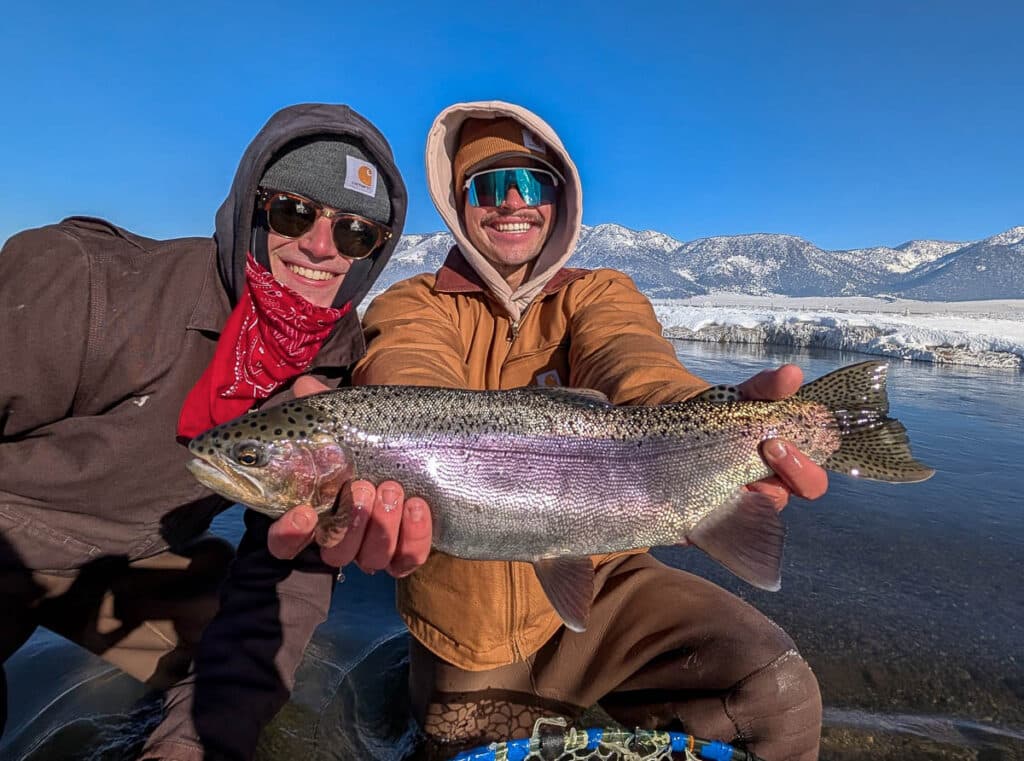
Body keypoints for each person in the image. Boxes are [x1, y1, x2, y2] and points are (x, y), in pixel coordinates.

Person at [353, 101, 826, 760]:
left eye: (533, 183)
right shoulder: (412, 304)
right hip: (469, 623)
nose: (513, 201)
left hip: (606, 583)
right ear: (458, 203)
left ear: (562, 199)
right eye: (489, 185)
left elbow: (638, 367)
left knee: (778, 693)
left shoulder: (601, 293)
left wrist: (713, 421)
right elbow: (406, 379)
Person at [0, 103, 433, 761]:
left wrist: (194, 743)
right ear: (250, 210)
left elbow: (285, 575)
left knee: (249, 652)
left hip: (125, 566)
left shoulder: (333, 367)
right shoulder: (83, 285)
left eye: (354, 232)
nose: (321, 247)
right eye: (293, 213)